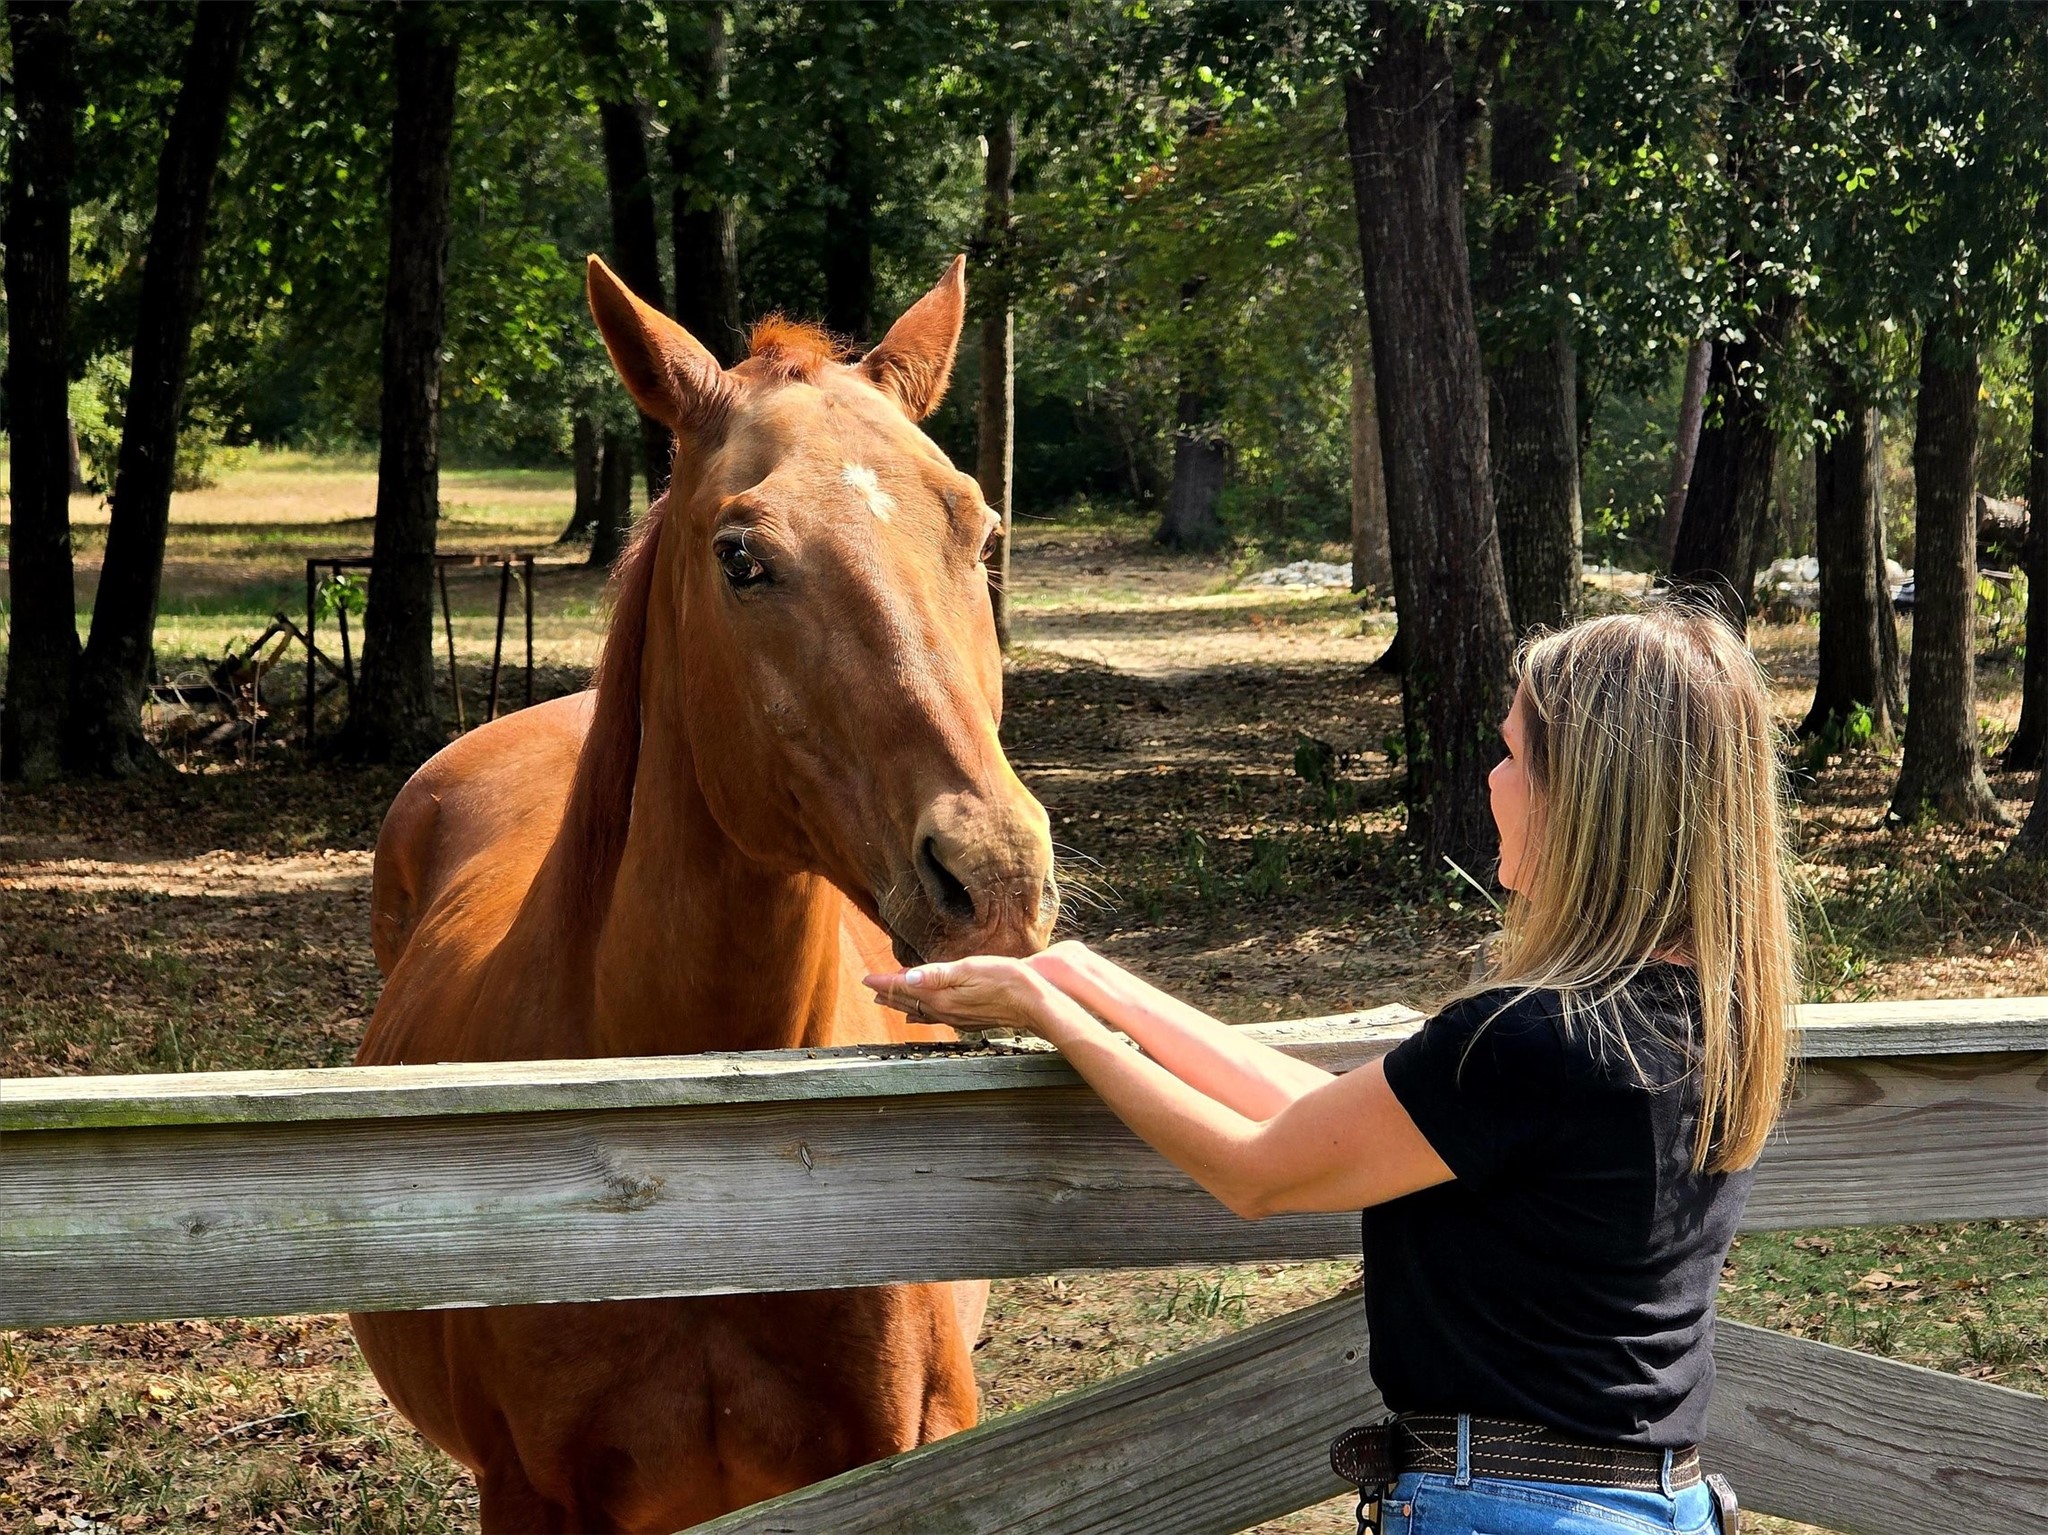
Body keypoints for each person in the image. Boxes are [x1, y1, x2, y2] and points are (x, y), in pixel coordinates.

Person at [866, 604, 1797, 1535]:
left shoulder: (1528, 1039)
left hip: (1510, 1509)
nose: (1493, 778)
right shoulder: (1707, 1021)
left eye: (1514, 755)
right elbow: (1324, 1120)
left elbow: (1258, 1169)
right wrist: (1088, 978)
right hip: (1657, 1505)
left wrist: (1052, 1018)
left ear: (1589, 797)